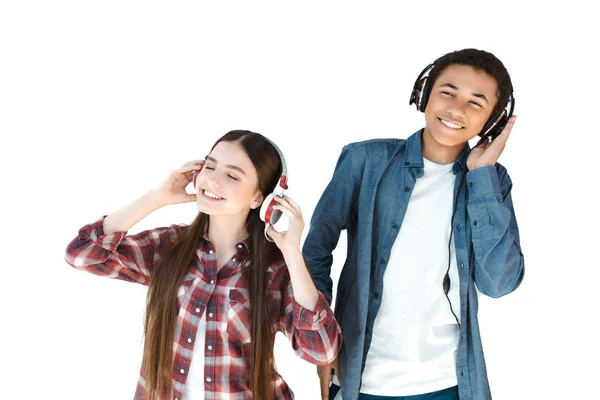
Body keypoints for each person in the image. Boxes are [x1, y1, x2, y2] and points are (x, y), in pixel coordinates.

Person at [302, 49, 525, 400]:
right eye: (447, 93)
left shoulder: (492, 182)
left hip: (450, 383)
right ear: (423, 95)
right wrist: (321, 340)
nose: (456, 109)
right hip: (362, 377)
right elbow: (316, 248)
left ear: (492, 123)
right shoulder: (365, 160)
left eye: (476, 103)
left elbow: (499, 283)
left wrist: (481, 177)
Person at [65, 130, 342, 400]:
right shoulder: (169, 246)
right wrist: (158, 197)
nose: (213, 181)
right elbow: (82, 253)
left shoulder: (275, 269)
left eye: (232, 175)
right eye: (209, 166)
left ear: (261, 199)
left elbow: (321, 350)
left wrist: (292, 251)